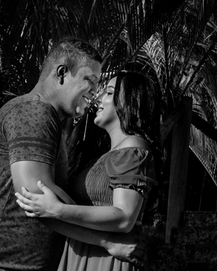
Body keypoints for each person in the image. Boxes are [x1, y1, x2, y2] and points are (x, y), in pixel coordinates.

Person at [0, 38, 144, 271]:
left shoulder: (44, 118)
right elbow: (35, 197)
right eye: (90, 80)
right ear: (62, 73)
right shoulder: (34, 111)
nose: (95, 92)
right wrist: (107, 241)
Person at [15, 69, 161, 271]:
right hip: (86, 253)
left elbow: (124, 217)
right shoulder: (106, 155)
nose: (98, 99)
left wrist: (58, 209)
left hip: (105, 261)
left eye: (109, 93)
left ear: (131, 101)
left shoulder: (132, 150)